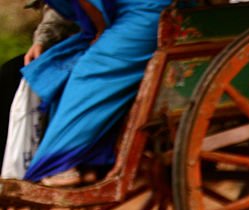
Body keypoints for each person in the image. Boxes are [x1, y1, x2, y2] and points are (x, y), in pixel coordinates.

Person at [19, 0, 171, 184]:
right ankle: (88, 160)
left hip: (146, 13)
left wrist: (101, 30)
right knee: (61, 66)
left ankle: (59, 163)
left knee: (91, 71)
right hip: (126, 13)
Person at [0, 4, 77, 160]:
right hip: (71, 40)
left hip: (100, 42)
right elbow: (58, 14)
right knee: (14, 73)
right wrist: (41, 41)